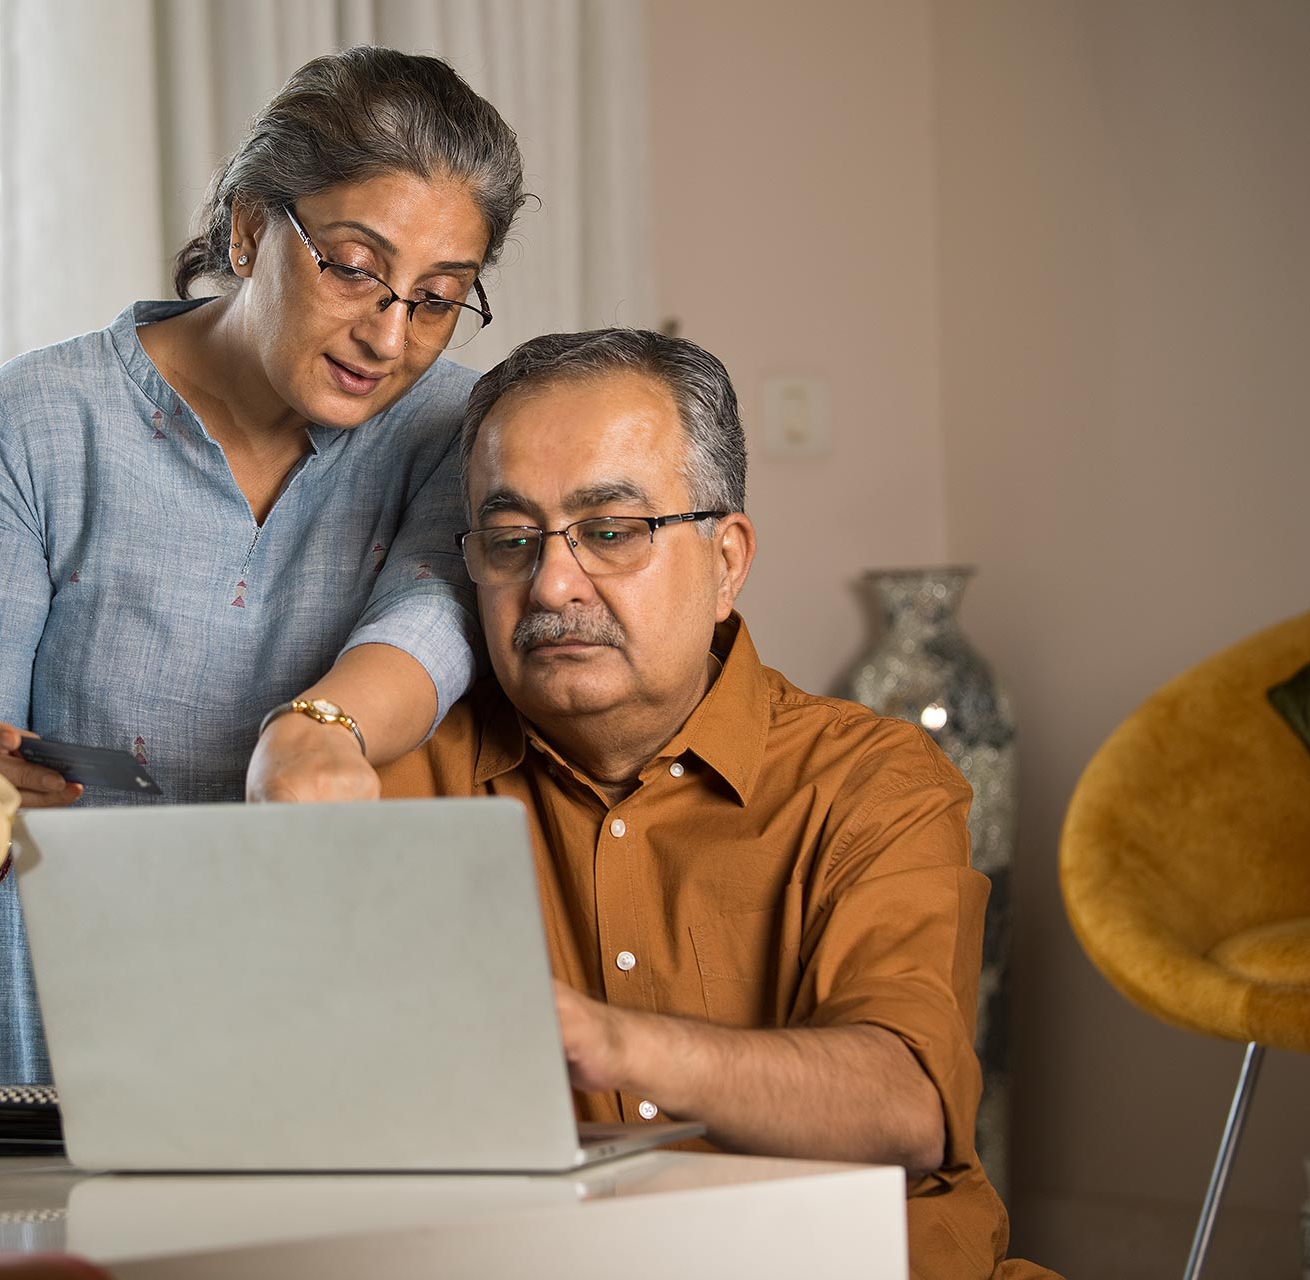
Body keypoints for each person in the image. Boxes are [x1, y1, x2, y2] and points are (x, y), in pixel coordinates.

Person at [0, 47, 527, 1084]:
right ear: (246, 229)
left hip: (303, 1019)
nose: (389, 333)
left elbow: (431, 611)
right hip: (40, 1026)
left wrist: (313, 735)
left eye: (439, 297)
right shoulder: (36, 423)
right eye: (357, 268)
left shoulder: (455, 427)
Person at [377, 329, 1055, 1279]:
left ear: (727, 561)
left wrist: (609, 1043)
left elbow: (903, 1104)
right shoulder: (396, 788)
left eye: (609, 532)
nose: (553, 582)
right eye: (510, 539)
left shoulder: (873, 781)